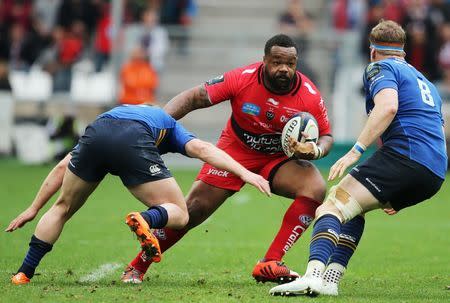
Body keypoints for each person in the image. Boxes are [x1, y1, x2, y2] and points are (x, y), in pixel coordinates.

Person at [121, 34, 334, 284]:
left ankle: (270, 262)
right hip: (236, 150)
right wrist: (157, 123)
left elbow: (327, 135)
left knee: (315, 188)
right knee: (192, 211)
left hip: (278, 156)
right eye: (277, 62)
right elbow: (194, 97)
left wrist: (316, 150)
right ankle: (137, 267)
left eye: (290, 64)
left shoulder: (308, 94)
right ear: (264, 60)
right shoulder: (243, 78)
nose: (284, 69)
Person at [270, 20, 447, 297]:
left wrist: (357, 150)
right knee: (354, 208)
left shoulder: (380, 67)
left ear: (372, 50)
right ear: (403, 51)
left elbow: (388, 106)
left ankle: (313, 276)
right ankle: (330, 280)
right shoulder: (424, 80)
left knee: (332, 206)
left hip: (405, 157)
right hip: (434, 171)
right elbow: (436, 126)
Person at [6, 104, 271, 285]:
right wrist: (245, 173)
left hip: (96, 132)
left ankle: (23, 273)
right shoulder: (167, 122)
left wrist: (34, 207)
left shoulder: (116, 113)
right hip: (132, 139)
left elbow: (63, 165)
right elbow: (203, 149)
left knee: (62, 207)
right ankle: (146, 219)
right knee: (179, 214)